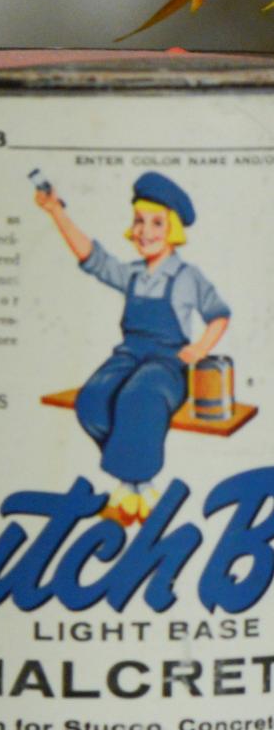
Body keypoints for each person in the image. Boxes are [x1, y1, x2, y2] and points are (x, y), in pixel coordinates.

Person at [35, 170, 231, 525]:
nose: (145, 231)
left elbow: (219, 315)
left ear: (173, 230)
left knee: (140, 397)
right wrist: (56, 212)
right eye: (139, 222)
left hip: (168, 363)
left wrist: (201, 348)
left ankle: (130, 490)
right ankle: (139, 485)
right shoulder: (134, 273)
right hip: (129, 354)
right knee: (92, 400)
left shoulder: (188, 277)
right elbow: (94, 260)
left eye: (156, 223)